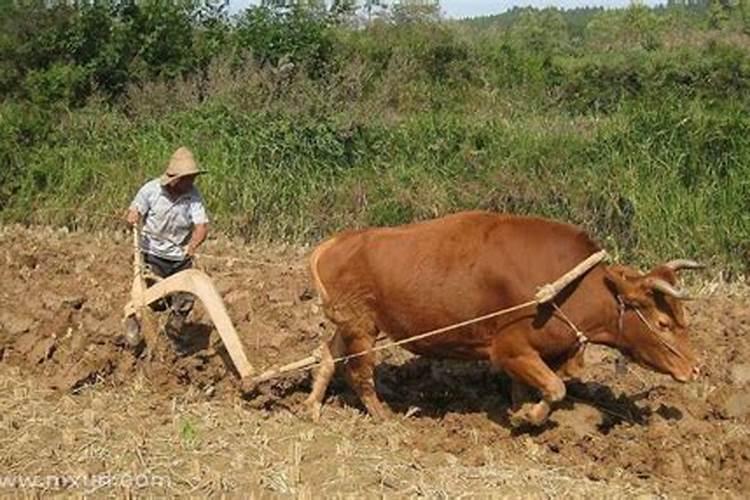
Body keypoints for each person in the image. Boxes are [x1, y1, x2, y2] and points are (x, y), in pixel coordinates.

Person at [123, 146, 209, 347]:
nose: (192, 182)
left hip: (180, 257)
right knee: (153, 299)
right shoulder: (151, 190)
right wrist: (133, 216)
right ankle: (134, 322)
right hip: (153, 254)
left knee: (186, 297)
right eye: (188, 178)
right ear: (175, 178)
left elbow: (202, 226)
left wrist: (193, 244)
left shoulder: (193, 196)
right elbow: (133, 213)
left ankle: (172, 336)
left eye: (193, 178)